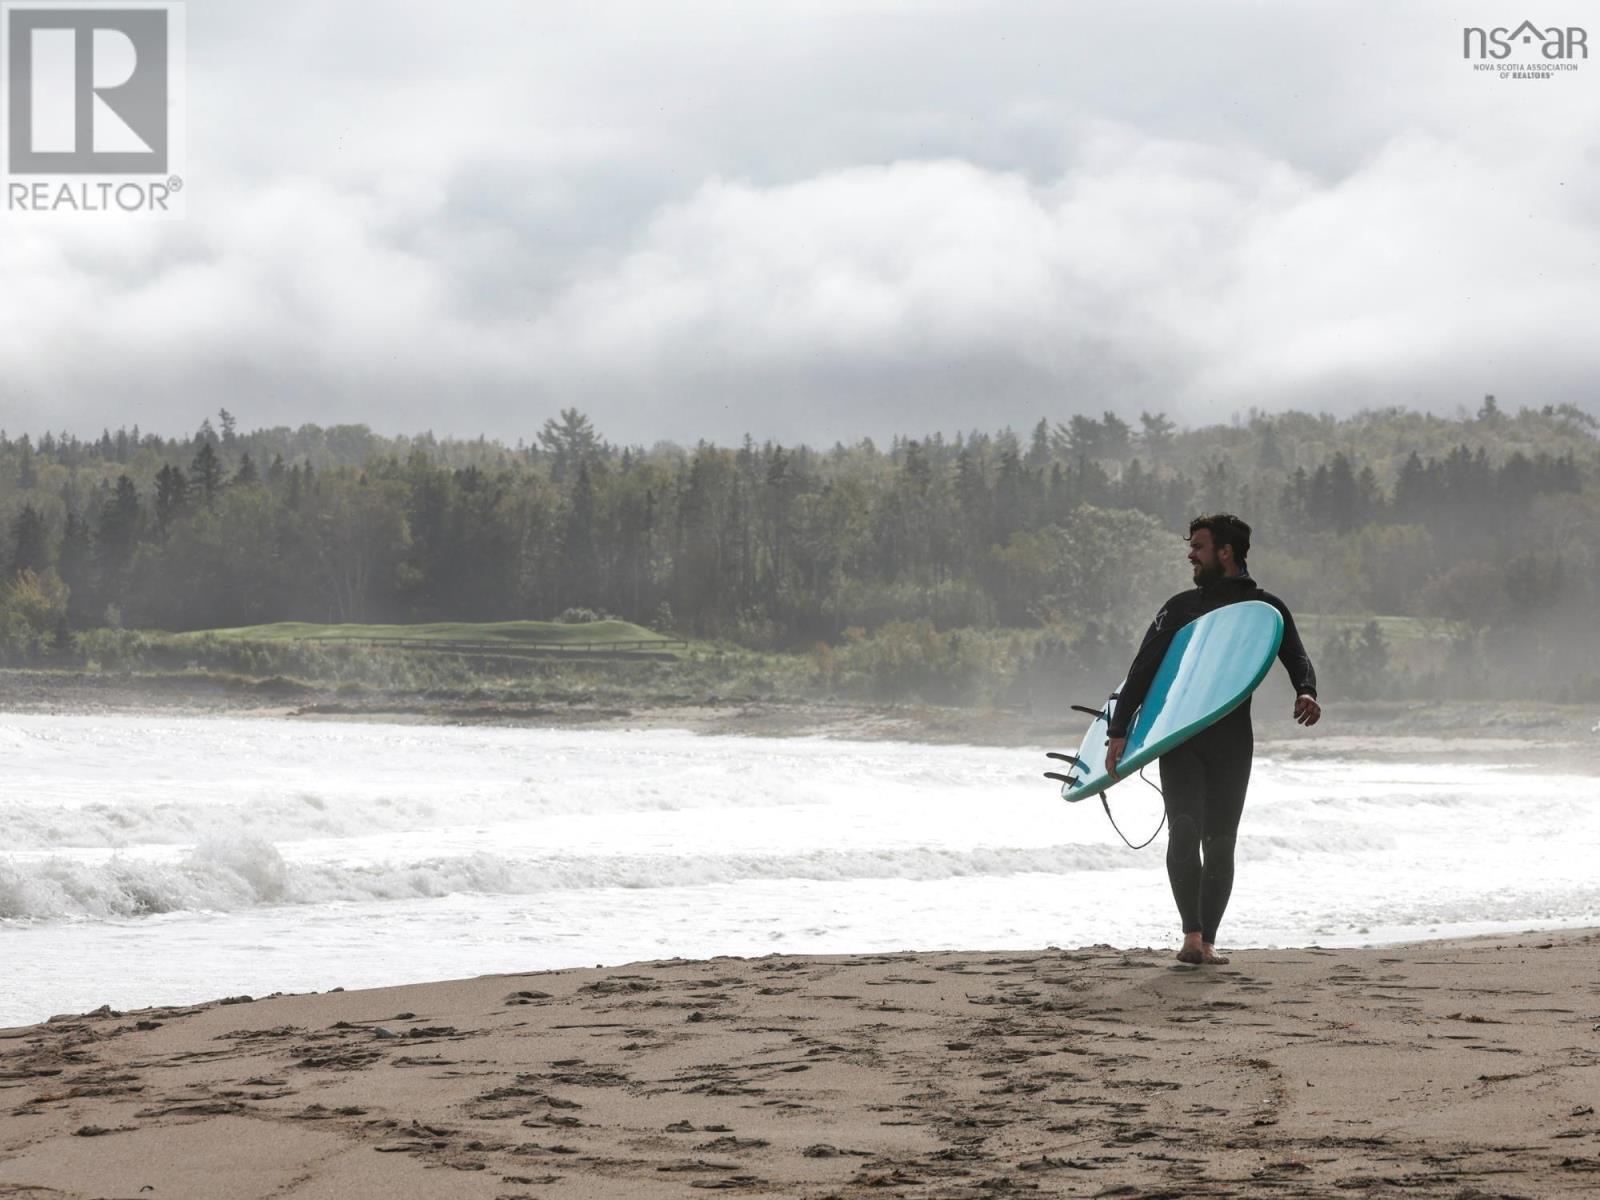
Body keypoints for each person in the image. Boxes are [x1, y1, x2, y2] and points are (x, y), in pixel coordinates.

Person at [1104, 513, 1320, 965]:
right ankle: (1191, 935)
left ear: (1225, 552)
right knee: (1184, 832)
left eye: (1198, 547)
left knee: (1221, 841)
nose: (1190, 554)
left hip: (1232, 741)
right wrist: (1119, 731)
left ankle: (1209, 941)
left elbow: (1296, 656)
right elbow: (1142, 669)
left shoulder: (1266, 610)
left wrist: (1306, 691)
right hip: (1180, 737)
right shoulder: (1180, 608)